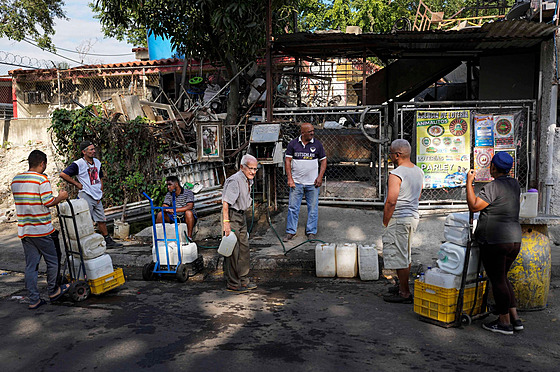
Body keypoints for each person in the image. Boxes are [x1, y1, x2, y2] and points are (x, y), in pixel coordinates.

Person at [466, 151, 523, 335]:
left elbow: (474, 206)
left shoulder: (494, 186)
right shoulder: (514, 184)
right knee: (503, 278)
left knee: (498, 280)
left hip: (495, 240)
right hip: (514, 239)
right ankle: (514, 318)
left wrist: (469, 182)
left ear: (493, 167)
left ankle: (504, 322)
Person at [11, 150, 71, 309]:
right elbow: (48, 201)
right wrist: (61, 197)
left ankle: (34, 300)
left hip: (25, 230)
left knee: (31, 266)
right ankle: (53, 291)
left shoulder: (15, 180)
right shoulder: (41, 180)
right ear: (42, 163)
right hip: (42, 230)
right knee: (53, 261)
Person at [382, 139, 424, 304]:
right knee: (404, 254)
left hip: (399, 218)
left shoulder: (396, 174)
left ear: (397, 155)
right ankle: (402, 285)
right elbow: (418, 196)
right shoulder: (418, 171)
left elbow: (391, 201)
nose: (390, 156)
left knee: (400, 255)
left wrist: (386, 221)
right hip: (412, 216)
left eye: (391, 154)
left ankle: (404, 293)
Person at [60, 140, 122, 248]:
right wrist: (76, 184)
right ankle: (85, 243)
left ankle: (107, 239)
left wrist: (101, 189)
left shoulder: (97, 162)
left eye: (94, 149)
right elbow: (63, 174)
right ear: (84, 152)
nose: (94, 151)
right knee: (85, 219)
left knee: (101, 218)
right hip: (86, 194)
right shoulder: (78, 164)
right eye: (91, 149)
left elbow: (100, 176)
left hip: (97, 195)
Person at [284, 122, 327, 242]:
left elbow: (323, 161)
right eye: (309, 131)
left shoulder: (317, 144)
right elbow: (287, 161)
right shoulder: (293, 144)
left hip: (312, 183)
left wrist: (320, 177)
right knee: (293, 208)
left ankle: (311, 232)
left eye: (313, 131)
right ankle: (290, 231)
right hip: (296, 182)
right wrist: (290, 178)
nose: (312, 133)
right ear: (302, 133)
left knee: (313, 208)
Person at [222, 154, 259, 293]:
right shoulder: (235, 181)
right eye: (251, 169)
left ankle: (243, 280)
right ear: (242, 167)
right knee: (233, 251)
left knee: (244, 249)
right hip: (232, 216)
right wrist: (226, 223)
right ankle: (233, 282)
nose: (253, 172)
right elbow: (225, 203)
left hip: (241, 216)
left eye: (255, 169)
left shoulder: (248, 180)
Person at [156, 175, 197, 241]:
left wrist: (174, 210)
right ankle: (159, 238)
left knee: (188, 212)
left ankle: (189, 237)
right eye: (167, 185)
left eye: (170, 185)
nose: (168, 187)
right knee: (160, 214)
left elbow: (190, 206)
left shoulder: (188, 192)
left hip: (185, 216)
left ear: (176, 184)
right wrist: (167, 209)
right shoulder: (169, 194)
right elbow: (164, 205)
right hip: (174, 216)